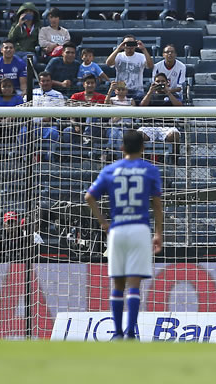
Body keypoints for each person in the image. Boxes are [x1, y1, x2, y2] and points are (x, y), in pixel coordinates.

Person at [85, 130, 163, 340]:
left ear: (121, 148)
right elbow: (157, 203)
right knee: (134, 284)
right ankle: (130, 333)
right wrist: (158, 233)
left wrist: (103, 222)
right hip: (139, 228)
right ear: (143, 148)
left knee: (118, 283)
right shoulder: (150, 170)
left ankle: (118, 333)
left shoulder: (111, 169)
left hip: (118, 229)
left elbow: (89, 196)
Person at [106, 35, 155, 102]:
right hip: (120, 89)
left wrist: (144, 49)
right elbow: (108, 63)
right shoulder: (119, 56)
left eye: (132, 43)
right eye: (127, 43)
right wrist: (118, 49)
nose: (130, 46)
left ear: (135, 44)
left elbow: (150, 66)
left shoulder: (141, 56)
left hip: (137, 90)